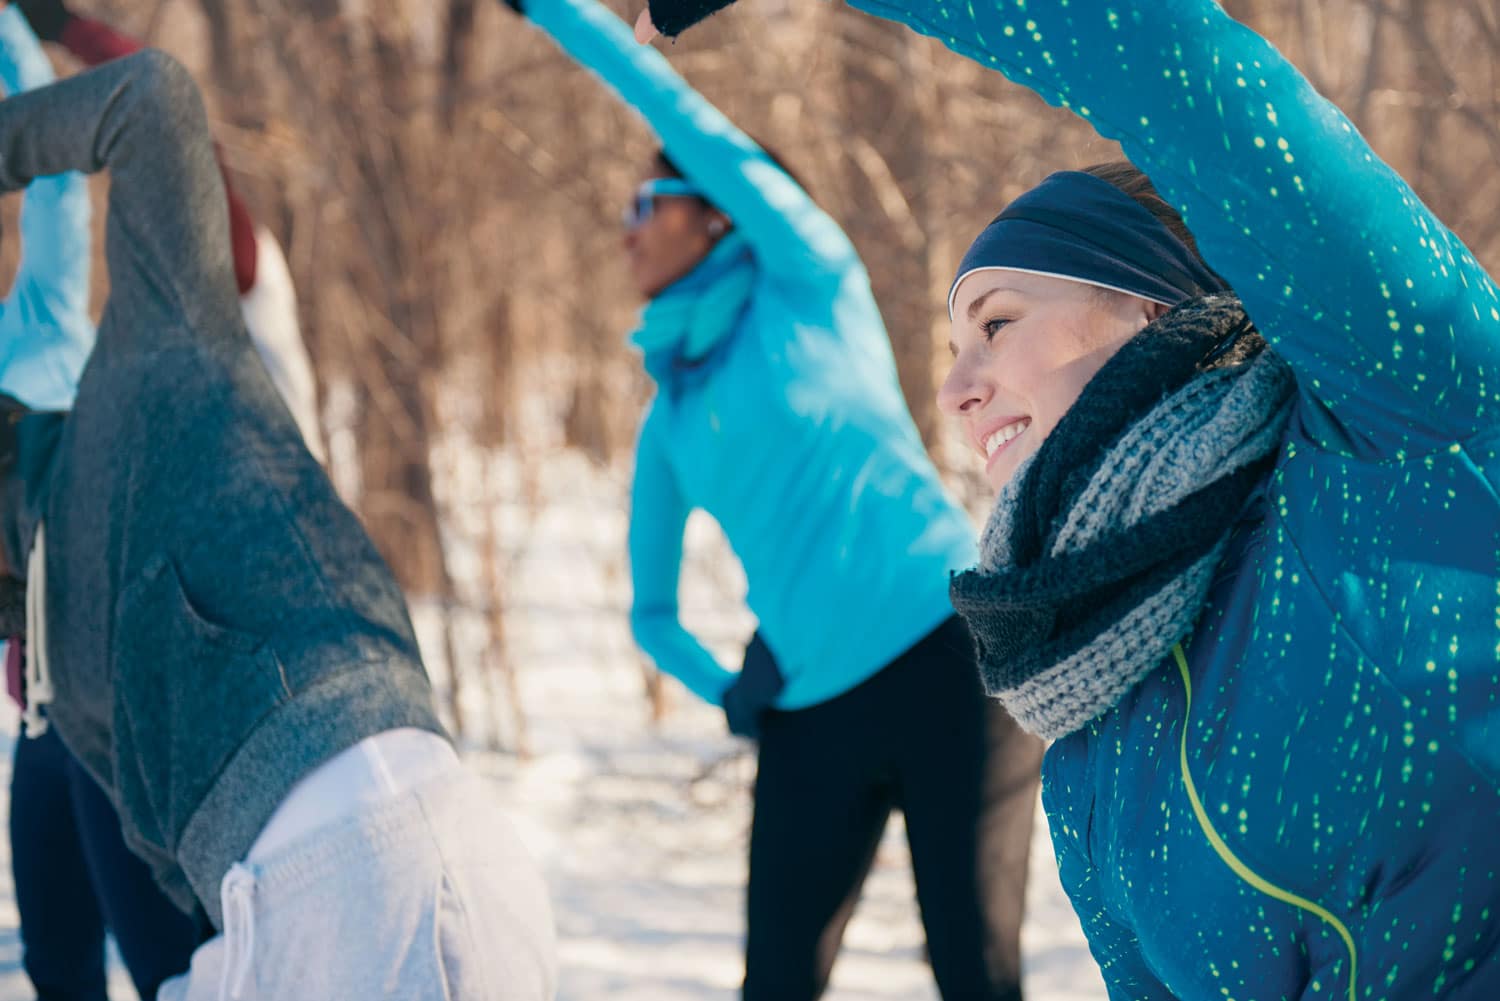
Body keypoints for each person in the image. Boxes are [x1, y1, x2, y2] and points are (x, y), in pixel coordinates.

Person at [642, 0, 1500, 996]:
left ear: (1151, 302)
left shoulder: (1394, 431)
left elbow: (1179, 73)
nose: (957, 389)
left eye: (997, 322)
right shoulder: (1084, 730)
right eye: (953, 349)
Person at [514, 1, 1045, 998]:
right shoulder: (669, 418)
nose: (624, 231)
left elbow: (680, 116)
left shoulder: (809, 278)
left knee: (977, 973)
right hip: (810, 714)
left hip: (949, 659)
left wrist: (553, 12)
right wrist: (729, 689)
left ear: (711, 209)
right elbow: (652, 613)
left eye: (646, 204)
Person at [0, 48, 556, 1001]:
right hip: (437, 858)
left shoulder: (149, 369)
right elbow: (150, 99)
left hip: (342, 882)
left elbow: (154, 100)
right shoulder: (155, 360)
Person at [0, 7, 201, 998]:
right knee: (54, 962)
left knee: (172, 959)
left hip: (118, 715)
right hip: (38, 722)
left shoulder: (39, 327)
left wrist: (4, 29)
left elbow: (58, 185)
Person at [18, 0, 327, 463]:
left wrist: (66, 28)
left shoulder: (241, 276)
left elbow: (163, 101)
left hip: (280, 477)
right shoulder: (194, 301)